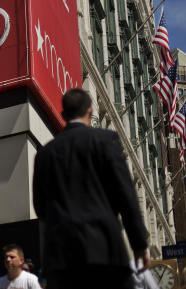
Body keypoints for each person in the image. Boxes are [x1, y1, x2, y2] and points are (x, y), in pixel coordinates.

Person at [32, 88, 150, 289]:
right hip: (104, 250)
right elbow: (126, 194)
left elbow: (40, 207)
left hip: (61, 257)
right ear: (90, 111)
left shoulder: (44, 154)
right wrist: (139, 245)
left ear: (63, 115)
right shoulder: (105, 140)